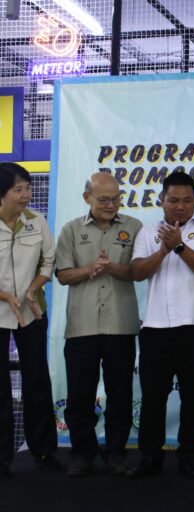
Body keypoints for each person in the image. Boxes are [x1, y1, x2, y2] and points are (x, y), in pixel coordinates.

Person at [128, 172, 194, 479]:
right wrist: (163, 250)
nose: (181, 206)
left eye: (187, 200)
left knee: (193, 397)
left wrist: (179, 247)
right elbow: (137, 272)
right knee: (153, 397)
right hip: (155, 329)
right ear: (162, 200)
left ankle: (189, 456)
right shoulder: (147, 232)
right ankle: (149, 456)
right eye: (174, 200)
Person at [55, 172, 142, 477]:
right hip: (82, 326)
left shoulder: (134, 227)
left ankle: (116, 454)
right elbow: (63, 275)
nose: (111, 205)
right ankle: (82, 454)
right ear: (87, 198)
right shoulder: (71, 229)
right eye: (104, 199)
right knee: (80, 395)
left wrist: (111, 267)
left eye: (116, 198)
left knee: (120, 394)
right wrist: (89, 269)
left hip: (121, 325)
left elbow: (139, 271)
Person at [0, 163, 61, 477]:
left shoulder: (37, 221)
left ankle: (44, 450)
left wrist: (34, 288)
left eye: (28, 187)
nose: (26, 194)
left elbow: (49, 262)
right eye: (18, 189)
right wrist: (5, 296)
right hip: (1, 312)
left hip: (32, 310)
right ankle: (3, 457)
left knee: (36, 378)